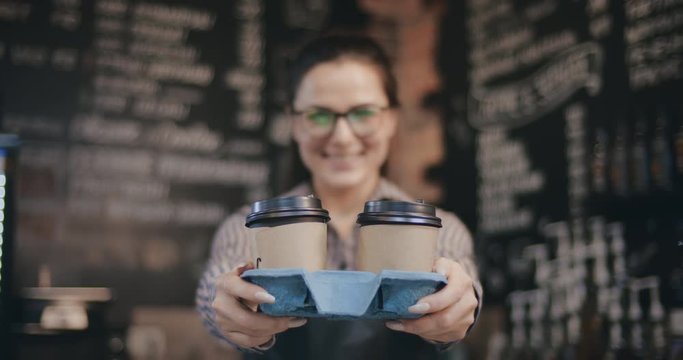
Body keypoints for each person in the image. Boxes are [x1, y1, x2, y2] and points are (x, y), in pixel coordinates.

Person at [196, 34, 482, 360]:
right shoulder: (247, 227)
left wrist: (462, 301)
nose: (343, 138)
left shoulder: (441, 228)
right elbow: (216, 286)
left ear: (391, 120)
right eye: (319, 116)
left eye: (363, 114)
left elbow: (463, 279)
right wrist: (224, 309)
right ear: (295, 124)